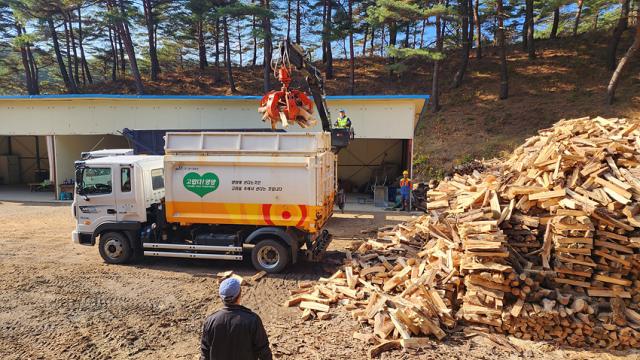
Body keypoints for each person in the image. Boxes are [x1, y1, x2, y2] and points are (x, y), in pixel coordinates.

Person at [200, 278, 272, 360]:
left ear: (221, 297)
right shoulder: (252, 320)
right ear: (240, 294)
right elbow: (264, 351)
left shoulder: (210, 321)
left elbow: (205, 353)